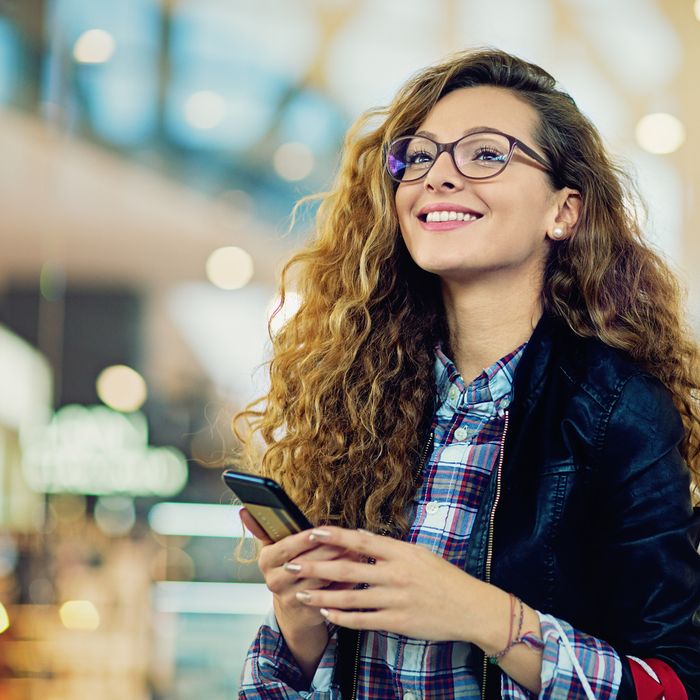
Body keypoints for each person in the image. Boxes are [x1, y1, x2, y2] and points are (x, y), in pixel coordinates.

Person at [235, 48, 700, 699]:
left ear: (563, 211)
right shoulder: (358, 398)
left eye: (486, 154)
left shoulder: (618, 412)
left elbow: (675, 683)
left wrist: (481, 614)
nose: (438, 177)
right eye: (419, 157)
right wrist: (300, 625)